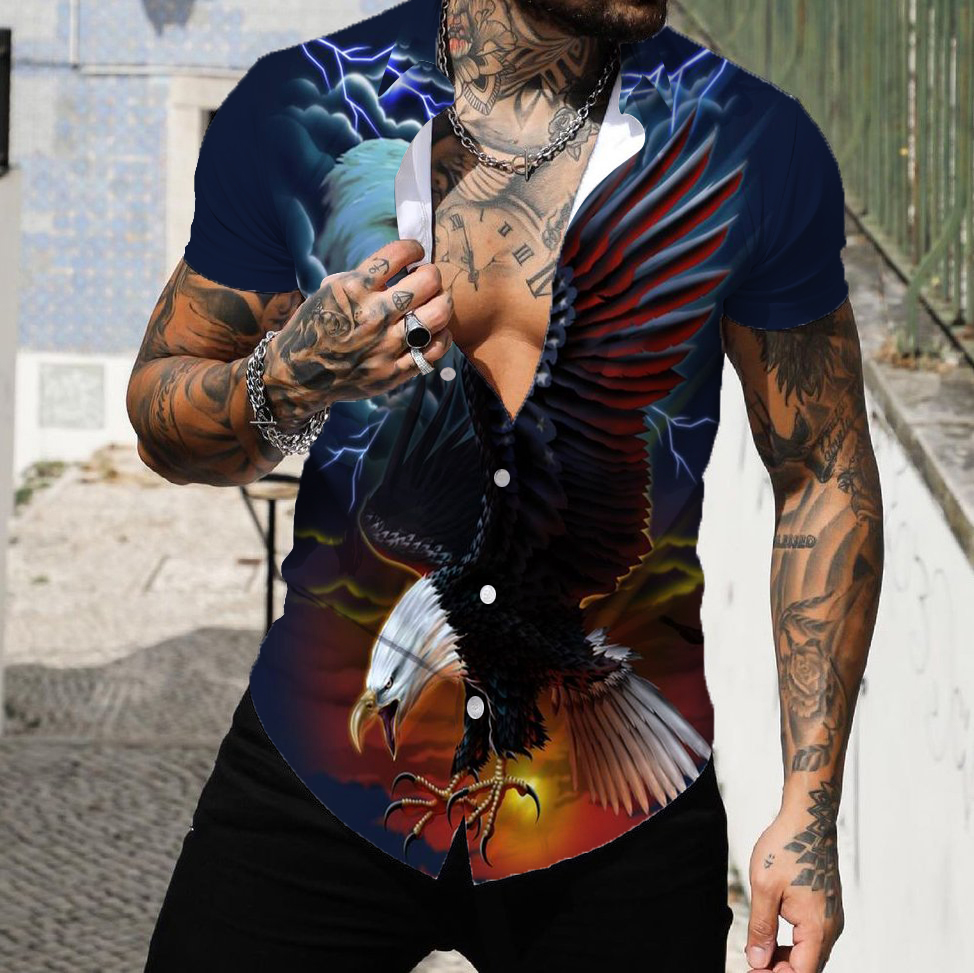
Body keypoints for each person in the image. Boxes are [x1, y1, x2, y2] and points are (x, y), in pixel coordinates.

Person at [127, 0, 884, 970]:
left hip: (613, 806)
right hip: (321, 779)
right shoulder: (300, 107)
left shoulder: (747, 141)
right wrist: (287, 379)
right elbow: (163, 419)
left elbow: (822, 472)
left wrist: (808, 808)